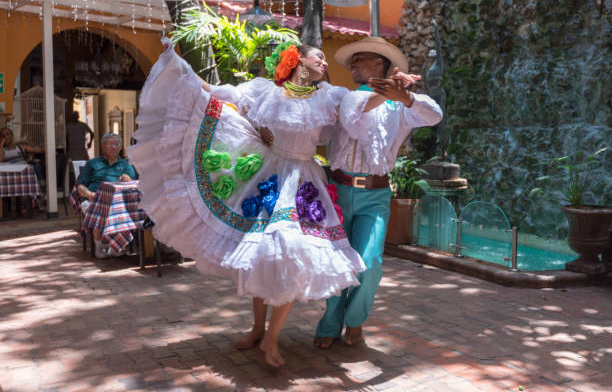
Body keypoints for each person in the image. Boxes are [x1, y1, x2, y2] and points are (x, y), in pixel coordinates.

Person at [127, 39, 371, 367]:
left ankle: (272, 339)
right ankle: (258, 329)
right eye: (319, 56)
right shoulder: (266, 91)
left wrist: (392, 95)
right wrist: (183, 71)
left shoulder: (331, 96)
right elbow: (222, 93)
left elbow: (359, 109)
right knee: (261, 253)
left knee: (289, 251)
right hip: (271, 173)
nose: (325, 62)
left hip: (303, 181)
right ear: (298, 59)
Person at [313, 36, 443, 348]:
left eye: (361, 58)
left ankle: (355, 322)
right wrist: (387, 93)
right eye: (352, 60)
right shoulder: (347, 96)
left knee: (370, 261)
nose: (353, 64)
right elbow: (356, 122)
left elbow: (435, 115)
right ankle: (329, 325)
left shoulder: (402, 103)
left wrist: (407, 98)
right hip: (338, 190)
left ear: (379, 64)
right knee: (335, 261)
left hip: (376, 194)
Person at [77, 133, 137, 258]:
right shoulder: (92, 164)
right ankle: (99, 248)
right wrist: (89, 194)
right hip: (94, 200)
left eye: (117, 144)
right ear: (103, 146)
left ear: (120, 147)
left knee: (121, 211)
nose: (114, 147)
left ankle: (116, 246)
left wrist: (128, 179)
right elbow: (80, 187)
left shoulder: (126, 164)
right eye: (110, 144)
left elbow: (134, 184)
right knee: (101, 210)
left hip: (120, 203)